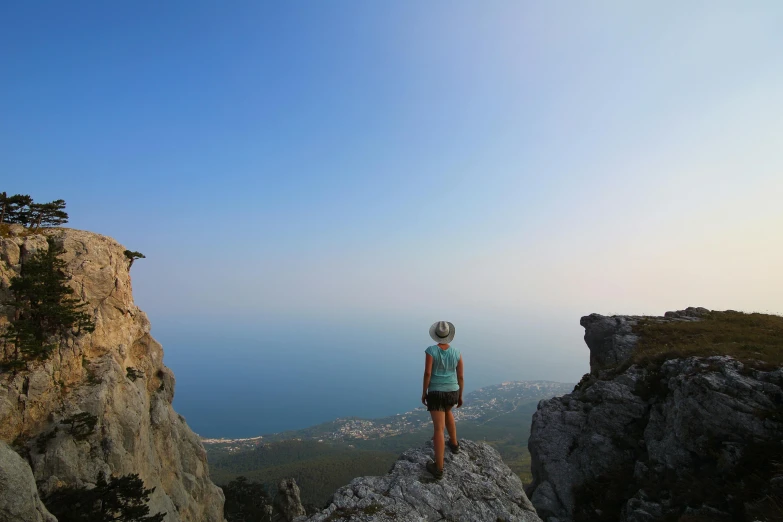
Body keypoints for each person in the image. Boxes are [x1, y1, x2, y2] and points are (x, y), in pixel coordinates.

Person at [421, 320, 464, 479]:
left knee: (438, 429)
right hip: (453, 390)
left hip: (436, 392)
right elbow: (460, 375)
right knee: (448, 412)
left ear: (436, 335)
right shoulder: (457, 353)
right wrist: (460, 395)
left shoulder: (431, 351)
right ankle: (454, 444)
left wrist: (424, 392)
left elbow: (427, 373)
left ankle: (438, 468)